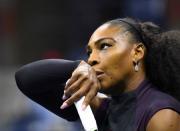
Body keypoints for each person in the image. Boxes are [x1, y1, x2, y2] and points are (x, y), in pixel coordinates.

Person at [15, 18, 180, 131]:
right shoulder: (102, 107)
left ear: (137, 52)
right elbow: (26, 79)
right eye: (89, 52)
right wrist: (75, 66)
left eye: (105, 46)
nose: (92, 59)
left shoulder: (161, 114)